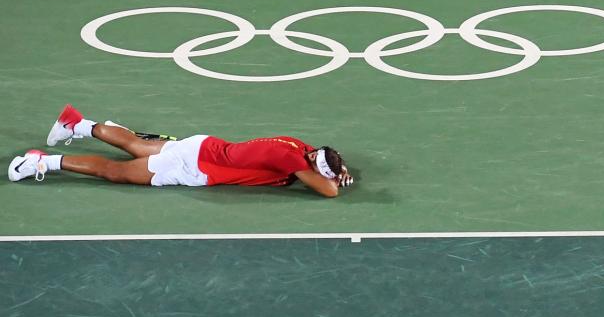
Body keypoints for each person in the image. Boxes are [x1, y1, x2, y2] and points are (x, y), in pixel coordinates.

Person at [7, 104, 354, 196]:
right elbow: (328, 191)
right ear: (310, 165)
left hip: (203, 145)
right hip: (194, 167)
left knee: (136, 145)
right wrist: (335, 180)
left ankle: (77, 124)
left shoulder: (303, 148)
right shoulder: (291, 159)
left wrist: (338, 168)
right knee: (114, 172)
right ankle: (43, 162)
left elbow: (325, 172)